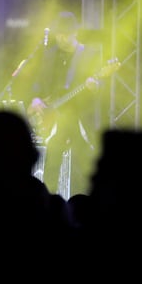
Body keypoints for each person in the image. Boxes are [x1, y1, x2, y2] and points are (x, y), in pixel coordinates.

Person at [24, 11, 114, 198]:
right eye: (59, 34)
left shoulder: (89, 54)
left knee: (83, 168)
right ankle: (49, 208)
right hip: (55, 118)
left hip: (80, 118)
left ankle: (83, 211)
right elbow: (38, 81)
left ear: (75, 33)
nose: (61, 38)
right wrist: (35, 98)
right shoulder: (50, 55)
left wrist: (95, 85)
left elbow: (103, 86)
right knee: (51, 166)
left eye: (66, 34)